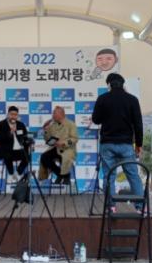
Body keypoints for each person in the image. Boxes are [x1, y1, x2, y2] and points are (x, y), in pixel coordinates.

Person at [91, 73, 144, 211]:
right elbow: (138, 124)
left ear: (109, 85)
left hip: (107, 144)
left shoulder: (103, 99)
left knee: (109, 176)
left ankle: (111, 207)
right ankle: (140, 207)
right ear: (123, 84)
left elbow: (96, 120)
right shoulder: (132, 100)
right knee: (133, 175)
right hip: (126, 145)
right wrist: (139, 144)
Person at [39, 106, 78, 185]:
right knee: (44, 157)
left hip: (68, 149)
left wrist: (64, 142)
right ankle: (61, 175)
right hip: (55, 148)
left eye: (54, 113)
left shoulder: (71, 124)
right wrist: (46, 131)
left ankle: (64, 176)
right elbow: (47, 139)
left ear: (61, 114)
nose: (53, 115)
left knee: (63, 157)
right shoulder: (52, 125)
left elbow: (75, 139)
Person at [0, 106, 29, 182]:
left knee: (28, 157)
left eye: (15, 115)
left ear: (17, 116)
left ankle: (18, 173)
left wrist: (28, 142)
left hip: (18, 150)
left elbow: (25, 137)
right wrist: (10, 133)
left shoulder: (21, 125)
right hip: (6, 150)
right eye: (12, 114)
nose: (13, 116)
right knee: (7, 155)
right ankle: (11, 173)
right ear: (8, 114)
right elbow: (0, 138)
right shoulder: (0, 125)